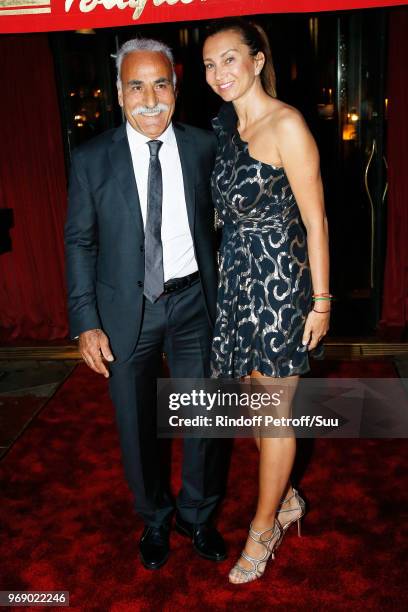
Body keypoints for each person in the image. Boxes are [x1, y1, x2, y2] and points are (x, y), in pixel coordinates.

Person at [65, 38, 227, 571]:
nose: (150, 98)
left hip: (193, 306)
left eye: (161, 83)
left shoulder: (206, 147)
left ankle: (197, 516)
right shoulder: (91, 158)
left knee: (204, 420)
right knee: (136, 425)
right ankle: (155, 519)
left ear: (177, 89)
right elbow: (80, 242)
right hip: (123, 312)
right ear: (118, 93)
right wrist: (86, 321)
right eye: (136, 85)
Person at [202, 18, 330, 584]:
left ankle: (263, 529)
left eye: (229, 59)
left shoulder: (288, 125)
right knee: (254, 407)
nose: (217, 73)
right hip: (237, 283)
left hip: (280, 285)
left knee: (273, 413)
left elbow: (316, 219)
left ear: (257, 60)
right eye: (208, 64)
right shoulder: (225, 127)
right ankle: (288, 497)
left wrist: (321, 302)